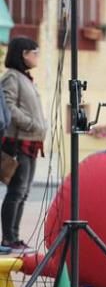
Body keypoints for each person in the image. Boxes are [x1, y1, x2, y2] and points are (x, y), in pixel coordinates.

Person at [1, 37, 48, 253]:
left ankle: (15, 236)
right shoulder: (12, 77)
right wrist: (30, 123)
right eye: (34, 52)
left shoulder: (26, 78)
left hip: (31, 142)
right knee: (17, 190)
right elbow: (8, 106)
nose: (37, 56)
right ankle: (8, 238)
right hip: (18, 141)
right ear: (23, 54)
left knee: (25, 191)